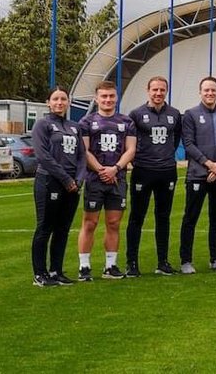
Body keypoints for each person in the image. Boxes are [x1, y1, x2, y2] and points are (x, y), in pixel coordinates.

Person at [77, 81, 136, 281]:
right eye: (104, 96)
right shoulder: (86, 122)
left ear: (116, 97)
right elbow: (85, 151)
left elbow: (131, 149)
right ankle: (84, 267)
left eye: (111, 96)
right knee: (90, 223)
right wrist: (102, 170)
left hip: (117, 179)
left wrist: (115, 168)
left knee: (113, 223)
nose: (108, 100)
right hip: (95, 179)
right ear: (96, 98)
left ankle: (110, 266)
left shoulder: (126, 122)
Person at [126, 76, 183, 277]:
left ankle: (163, 262)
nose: (158, 93)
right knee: (137, 217)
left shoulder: (175, 114)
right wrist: (139, 159)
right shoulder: (136, 114)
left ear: (166, 91)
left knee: (163, 217)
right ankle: (131, 263)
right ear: (147, 90)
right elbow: (129, 140)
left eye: (162, 90)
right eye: (155, 90)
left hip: (167, 171)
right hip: (143, 170)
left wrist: (166, 156)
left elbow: (175, 139)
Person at [179, 76, 216, 274]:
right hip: (198, 175)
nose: (210, 93)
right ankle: (186, 260)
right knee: (190, 218)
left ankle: (215, 259)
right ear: (200, 92)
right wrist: (209, 165)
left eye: (213, 90)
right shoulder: (190, 114)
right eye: (206, 90)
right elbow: (189, 144)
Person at [31, 86, 83, 287]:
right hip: (49, 181)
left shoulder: (74, 127)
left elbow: (81, 156)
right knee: (45, 228)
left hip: (72, 186)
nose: (60, 102)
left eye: (63, 99)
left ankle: (56, 271)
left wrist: (78, 180)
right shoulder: (42, 125)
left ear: (68, 102)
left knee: (63, 229)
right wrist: (66, 179)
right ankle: (39, 273)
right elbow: (44, 157)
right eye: (55, 99)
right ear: (48, 102)